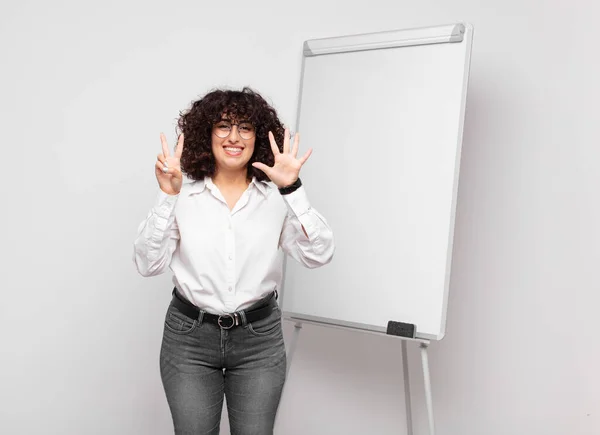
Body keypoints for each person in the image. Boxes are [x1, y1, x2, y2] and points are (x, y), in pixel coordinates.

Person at [132, 87, 335, 435]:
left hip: (258, 338)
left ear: (258, 137)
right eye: (223, 126)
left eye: (245, 127)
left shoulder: (275, 197)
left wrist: (293, 190)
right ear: (206, 134)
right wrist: (167, 196)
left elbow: (319, 254)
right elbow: (148, 264)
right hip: (189, 339)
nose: (234, 137)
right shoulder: (182, 194)